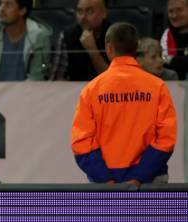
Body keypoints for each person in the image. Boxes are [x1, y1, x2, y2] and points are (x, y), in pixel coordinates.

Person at [71, 23, 177, 186]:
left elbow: (82, 142)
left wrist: (105, 178)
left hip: (105, 183)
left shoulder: (91, 90)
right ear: (135, 48)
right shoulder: (158, 87)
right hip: (150, 181)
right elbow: (166, 139)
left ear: (109, 48)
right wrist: (139, 176)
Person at [0, 0, 51, 81]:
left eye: (8, 4)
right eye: (1, 3)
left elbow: (36, 77)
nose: (1, 9)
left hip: (27, 92)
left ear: (22, 11)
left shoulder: (39, 37)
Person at [51, 0, 111, 81]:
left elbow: (114, 79)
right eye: (80, 11)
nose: (83, 17)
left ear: (104, 13)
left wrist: (92, 50)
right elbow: (56, 78)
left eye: (90, 11)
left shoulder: (116, 36)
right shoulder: (67, 36)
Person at [161, 0, 188, 80]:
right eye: (170, 11)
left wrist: (173, 59)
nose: (174, 15)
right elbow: (164, 60)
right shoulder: (166, 34)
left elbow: (169, 61)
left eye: (179, 10)